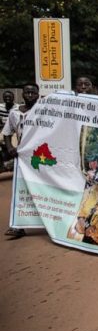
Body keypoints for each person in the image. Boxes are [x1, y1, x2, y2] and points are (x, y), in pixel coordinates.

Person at [2, 84, 39, 238]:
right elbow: (7, 132)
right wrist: (10, 146)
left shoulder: (44, 111)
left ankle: (54, 223)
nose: (30, 95)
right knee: (20, 191)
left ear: (38, 95)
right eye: (27, 92)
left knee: (42, 189)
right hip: (21, 157)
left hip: (39, 157)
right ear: (22, 94)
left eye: (33, 92)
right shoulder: (14, 113)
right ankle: (18, 226)